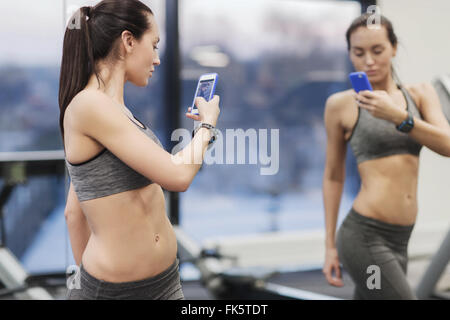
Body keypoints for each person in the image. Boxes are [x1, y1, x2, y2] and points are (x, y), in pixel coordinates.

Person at [59, 0, 220, 300]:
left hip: (165, 282)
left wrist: (202, 134)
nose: (157, 59)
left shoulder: (114, 110)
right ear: (128, 41)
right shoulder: (89, 106)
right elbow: (178, 177)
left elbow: (73, 211)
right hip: (117, 292)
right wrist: (207, 126)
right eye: (155, 45)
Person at [322, 13, 450, 299]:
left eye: (377, 50)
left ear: (393, 48)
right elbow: (333, 176)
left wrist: (399, 117)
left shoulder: (420, 94)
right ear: (350, 55)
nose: (369, 60)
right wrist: (329, 245)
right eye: (359, 52)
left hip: (401, 238)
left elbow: (447, 145)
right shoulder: (340, 105)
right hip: (365, 237)